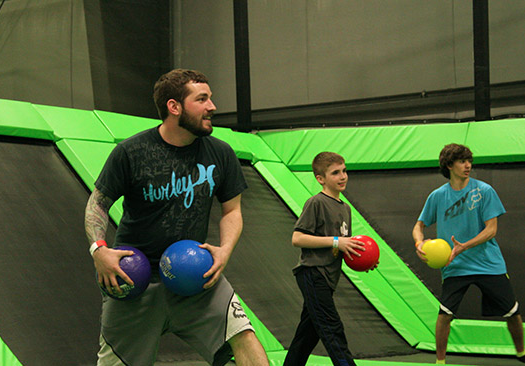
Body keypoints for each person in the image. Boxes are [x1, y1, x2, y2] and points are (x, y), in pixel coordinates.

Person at [84, 68, 269, 366]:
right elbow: (98, 203)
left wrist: (224, 250)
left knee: (244, 337)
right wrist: (99, 250)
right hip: (135, 280)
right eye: (203, 99)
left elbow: (232, 211)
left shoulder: (220, 153)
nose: (213, 106)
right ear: (174, 107)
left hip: (196, 276)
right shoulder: (132, 152)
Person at [412, 143, 525, 364]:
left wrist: (465, 245)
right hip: (454, 265)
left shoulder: (484, 191)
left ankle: (522, 353)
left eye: (469, 161)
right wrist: (418, 244)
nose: (468, 165)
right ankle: (440, 362)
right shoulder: (437, 196)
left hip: (488, 263)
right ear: (449, 165)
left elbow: (491, 229)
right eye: (462, 161)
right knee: (445, 314)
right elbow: (419, 226)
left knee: (512, 312)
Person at [283, 152, 375, 366]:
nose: (343, 176)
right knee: (333, 330)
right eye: (335, 173)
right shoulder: (316, 203)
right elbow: (297, 238)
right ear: (320, 179)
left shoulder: (345, 208)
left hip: (329, 277)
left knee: (308, 335)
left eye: (344, 171)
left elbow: (344, 245)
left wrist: (365, 259)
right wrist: (336, 242)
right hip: (313, 273)